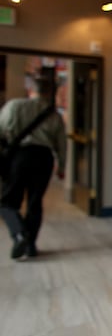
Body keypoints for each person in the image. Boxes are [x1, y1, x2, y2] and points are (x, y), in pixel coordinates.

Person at [0, 75, 67, 260]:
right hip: (44, 159)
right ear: (48, 93)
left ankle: (19, 233)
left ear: (32, 90)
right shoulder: (54, 114)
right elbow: (61, 144)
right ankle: (30, 246)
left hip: (19, 157)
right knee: (34, 203)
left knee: (7, 202)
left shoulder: (14, 106)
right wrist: (62, 167)